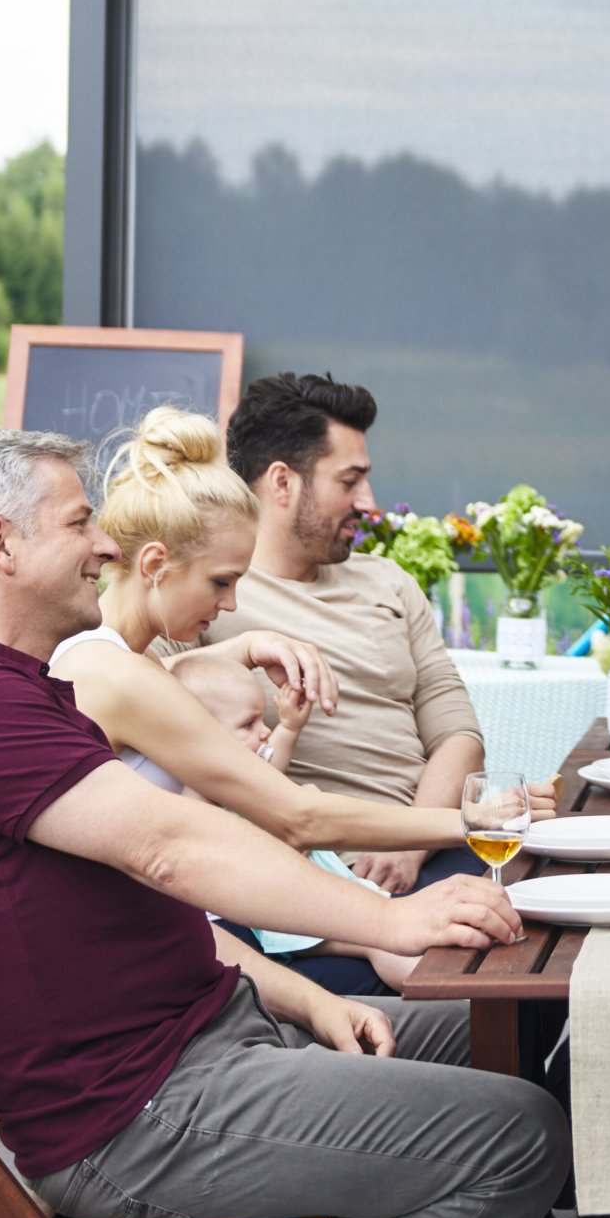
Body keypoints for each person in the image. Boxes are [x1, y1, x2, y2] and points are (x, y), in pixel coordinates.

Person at [0, 426, 568, 1218]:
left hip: (211, 1039)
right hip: (136, 1114)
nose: (101, 545)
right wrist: (388, 918)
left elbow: (158, 883)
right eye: (78, 522)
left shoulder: (11, 685)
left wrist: (308, 990)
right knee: (507, 1135)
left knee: (513, 1030)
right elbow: (172, 848)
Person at [56, 403, 600, 1218]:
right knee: (506, 1108)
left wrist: (311, 993)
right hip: (160, 1071)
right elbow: (290, 814)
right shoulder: (107, 675)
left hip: (212, 991)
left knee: (502, 1040)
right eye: (223, 583)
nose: (231, 604)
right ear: (153, 567)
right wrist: (459, 839)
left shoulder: (139, 665)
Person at [204, 372, 483, 897]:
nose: (368, 501)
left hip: (435, 844)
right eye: (349, 481)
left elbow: (459, 735)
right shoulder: (209, 596)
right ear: (282, 482)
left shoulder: (389, 581)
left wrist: (411, 846)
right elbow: (129, 685)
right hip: (326, 878)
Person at [175, 652, 421, 993]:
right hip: (280, 914)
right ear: (203, 736)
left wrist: (290, 725)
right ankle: (447, 996)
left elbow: (270, 762)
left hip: (311, 891)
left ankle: (457, 988)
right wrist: (287, 835)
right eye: (249, 725)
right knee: (377, 941)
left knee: (389, 920)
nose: (264, 733)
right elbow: (230, 855)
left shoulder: (243, 779)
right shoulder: (199, 801)